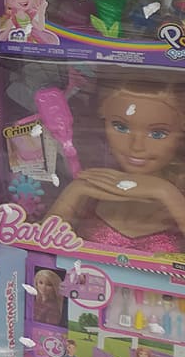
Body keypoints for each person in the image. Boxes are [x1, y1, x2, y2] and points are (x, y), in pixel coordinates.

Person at [48, 79, 185, 254]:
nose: (136, 146)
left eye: (158, 133)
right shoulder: (92, 190)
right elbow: (39, 255)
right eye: (120, 127)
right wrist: (74, 192)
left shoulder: (176, 196)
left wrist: (167, 193)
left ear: (181, 135)